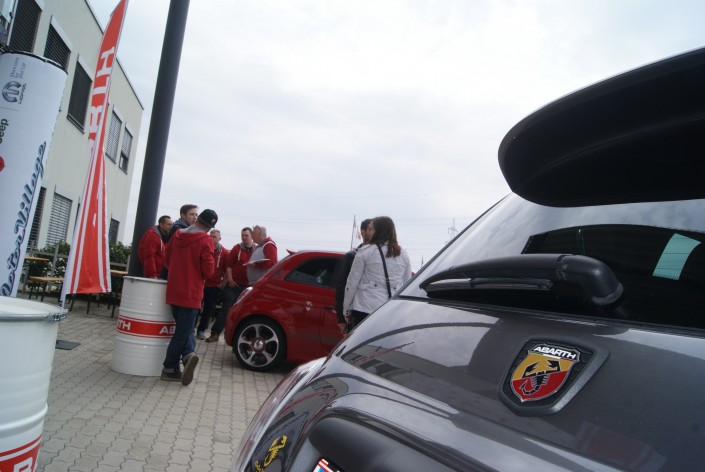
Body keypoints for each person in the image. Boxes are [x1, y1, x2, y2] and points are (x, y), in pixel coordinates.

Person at [161, 209, 218, 386]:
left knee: (184, 329)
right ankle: (169, 368)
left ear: (197, 219)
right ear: (209, 227)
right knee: (182, 332)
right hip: (191, 292)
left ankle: (188, 356)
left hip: (173, 290)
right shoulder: (206, 241)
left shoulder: (177, 234)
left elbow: (166, 259)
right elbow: (208, 271)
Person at [343, 216, 412, 330]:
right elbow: (406, 287)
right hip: (389, 312)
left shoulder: (365, 252)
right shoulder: (404, 255)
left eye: (371, 229)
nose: (368, 233)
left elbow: (352, 283)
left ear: (379, 231)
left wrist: (346, 309)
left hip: (364, 308)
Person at [205, 227, 256, 343]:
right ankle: (215, 333)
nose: (244, 237)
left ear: (251, 236)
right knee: (226, 309)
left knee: (245, 312)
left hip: (248, 286)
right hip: (234, 285)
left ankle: (240, 339)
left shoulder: (256, 249)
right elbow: (228, 265)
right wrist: (230, 279)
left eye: (246, 235)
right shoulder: (236, 248)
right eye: (242, 235)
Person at [334, 219, 372, 334]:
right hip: (355, 313)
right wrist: (341, 318)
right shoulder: (351, 256)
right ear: (363, 232)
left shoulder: (380, 258)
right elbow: (342, 287)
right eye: (370, 229)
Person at [196, 229, 229, 340]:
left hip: (214, 286)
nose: (212, 238)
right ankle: (190, 329)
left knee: (208, 309)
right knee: (196, 307)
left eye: (214, 236)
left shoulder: (224, 252)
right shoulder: (203, 248)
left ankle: (201, 330)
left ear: (219, 238)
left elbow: (226, 270)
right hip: (201, 284)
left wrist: (223, 284)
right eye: (210, 236)